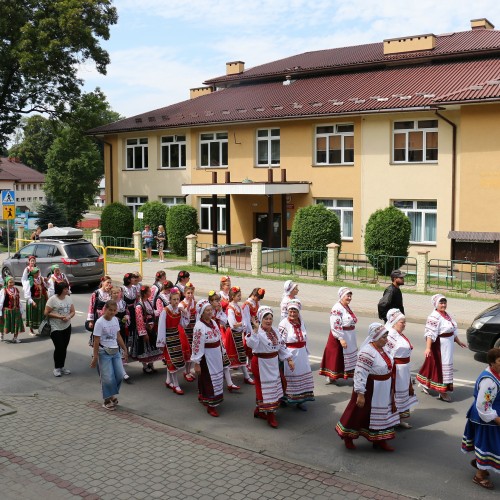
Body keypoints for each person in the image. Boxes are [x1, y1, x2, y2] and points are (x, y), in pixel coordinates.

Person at [335, 322, 400, 451]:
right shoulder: (367, 352)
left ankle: (380, 440)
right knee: (359, 412)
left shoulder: (384, 349)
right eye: (383, 337)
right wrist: (360, 393)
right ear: (375, 337)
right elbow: (360, 373)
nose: (386, 340)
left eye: (386, 336)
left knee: (382, 413)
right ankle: (348, 437)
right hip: (370, 388)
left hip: (383, 387)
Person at [246, 306, 294, 428]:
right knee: (265, 389)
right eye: (266, 318)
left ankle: (259, 409)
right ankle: (270, 416)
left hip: (273, 362)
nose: (268, 321)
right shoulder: (258, 332)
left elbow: (281, 346)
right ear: (261, 319)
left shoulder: (275, 331)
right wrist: (255, 331)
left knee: (274, 387)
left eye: (270, 318)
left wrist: (289, 359)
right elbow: (251, 344)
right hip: (261, 363)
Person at [461, 348, 500, 490]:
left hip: (491, 414)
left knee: (489, 446)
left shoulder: (496, 373)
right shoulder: (489, 381)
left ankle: (481, 462)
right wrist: (496, 419)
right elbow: (484, 405)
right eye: (499, 361)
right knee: (490, 446)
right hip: (487, 419)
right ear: (491, 363)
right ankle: (479, 475)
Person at [416, 294, 467, 402]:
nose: (443, 305)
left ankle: (424, 382)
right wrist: (428, 348)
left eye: (444, 303)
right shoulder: (434, 317)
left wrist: (458, 341)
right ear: (436, 304)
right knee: (440, 367)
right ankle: (442, 391)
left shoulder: (447, 315)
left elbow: (452, 330)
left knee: (433, 365)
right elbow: (430, 333)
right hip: (439, 345)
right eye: (441, 303)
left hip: (448, 345)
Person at [90, 300, 128, 411]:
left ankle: (111, 394)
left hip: (115, 351)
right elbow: (96, 341)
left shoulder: (115, 320)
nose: (112, 312)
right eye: (110, 310)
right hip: (103, 352)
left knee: (120, 374)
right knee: (107, 377)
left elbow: (118, 336)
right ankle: (107, 400)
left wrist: (125, 349)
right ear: (105, 309)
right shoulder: (99, 322)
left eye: (114, 310)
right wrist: (95, 357)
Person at [278, 299, 314, 410]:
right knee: (288, 377)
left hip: (301, 354)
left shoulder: (301, 322)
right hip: (290, 354)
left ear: (299, 312)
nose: (292, 314)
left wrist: (305, 351)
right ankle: (285, 398)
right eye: (290, 312)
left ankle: (300, 400)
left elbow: (305, 338)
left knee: (302, 375)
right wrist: (288, 358)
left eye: (295, 311)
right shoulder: (284, 323)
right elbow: (280, 342)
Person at [191, 300, 225, 417]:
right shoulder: (199, 327)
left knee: (216, 378)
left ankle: (204, 397)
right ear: (201, 312)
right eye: (207, 310)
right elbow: (196, 345)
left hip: (216, 356)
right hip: (207, 357)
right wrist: (197, 362)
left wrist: (223, 352)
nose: (210, 312)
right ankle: (211, 405)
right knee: (209, 380)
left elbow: (219, 338)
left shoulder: (213, 323)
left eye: (211, 309)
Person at [385, 308, 418, 428]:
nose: (404, 325)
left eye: (405, 322)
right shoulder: (390, 336)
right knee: (395, 394)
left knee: (402, 394)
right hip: (396, 371)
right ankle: (392, 419)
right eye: (402, 322)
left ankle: (400, 418)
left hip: (403, 370)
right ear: (394, 322)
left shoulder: (399, 334)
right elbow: (387, 354)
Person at [319, 287, 358, 384]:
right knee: (336, 356)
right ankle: (331, 376)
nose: (349, 298)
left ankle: (351, 375)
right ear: (341, 296)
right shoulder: (337, 308)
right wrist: (341, 338)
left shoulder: (346, 307)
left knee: (347, 356)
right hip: (339, 335)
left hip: (349, 336)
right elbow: (335, 324)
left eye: (350, 296)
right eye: (347, 296)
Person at [156, 287, 190, 395]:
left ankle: (168, 380)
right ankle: (176, 384)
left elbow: (184, 324)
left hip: (176, 337)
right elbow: (161, 327)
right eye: (174, 299)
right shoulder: (165, 311)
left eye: (177, 299)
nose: (176, 301)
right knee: (172, 362)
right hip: (168, 338)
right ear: (170, 300)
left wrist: (185, 313)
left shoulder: (178, 311)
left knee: (175, 360)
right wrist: (161, 342)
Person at [208, 290, 239, 391]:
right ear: (211, 302)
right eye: (215, 301)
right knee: (210, 363)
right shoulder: (207, 311)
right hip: (209, 340)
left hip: (217, 338)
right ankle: (210, 384)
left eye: (218, 300)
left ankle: (230, 383)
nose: (218, 302)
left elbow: (224, 321)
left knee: (225, 361)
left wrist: (220, 311)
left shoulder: (218, 311)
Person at [129, 285, 163, 373]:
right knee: (144, 348)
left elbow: (152, 313)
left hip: (151, 328)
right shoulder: (139, 306)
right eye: (149, 291)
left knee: (152, 347)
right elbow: (139, 320)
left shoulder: (148, 302)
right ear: (145, 294)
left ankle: (151, 364)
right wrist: (144, 333)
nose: (150, 293)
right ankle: (145, 366)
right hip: (144, 329)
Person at [224, 286, 254, 384]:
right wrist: (242, 324)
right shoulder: (230, 308)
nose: (240, 297)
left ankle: (246, 376)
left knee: (241, 354)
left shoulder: (237, 306)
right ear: (232, 296)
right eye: (238, 296)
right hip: (232, 335)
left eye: (240, 295)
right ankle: (228, 378)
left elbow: (242, 320)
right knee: (230, 356)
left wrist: (242, 324)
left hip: (237, 334)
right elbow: (233, 324)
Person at [44, 281, 75, 377]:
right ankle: (57, 368)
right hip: (55, 327)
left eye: (67, 288)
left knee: (64, 348)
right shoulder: (52, 299)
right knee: (59, 347)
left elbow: (73, 311)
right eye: (65, 288)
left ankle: (62, 367)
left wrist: (68, 317)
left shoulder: (69, 299)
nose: (67, 290)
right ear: (60, 290)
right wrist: (59, 317)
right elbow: (46, 313)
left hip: (67, 326)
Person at [110, 286, 131, 383]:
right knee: (115, 349)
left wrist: (127, 317)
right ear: (111, 294)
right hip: (112, 329)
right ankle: (121, 372)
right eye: (114, 293)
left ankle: (120, 369)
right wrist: (114, 318)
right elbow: (104, 314)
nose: (117, 294)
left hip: (122, 328)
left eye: (118, 292)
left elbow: (127, 312)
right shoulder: (109, 304)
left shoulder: (123, 303)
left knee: (122, 347)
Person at [179, 282, 197, 381]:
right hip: (186, 330)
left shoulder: (194, 302)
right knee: (188, 351)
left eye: (191, 293)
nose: (190, 295)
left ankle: (188, 370)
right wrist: (189, 305)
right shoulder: (181, 303)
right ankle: (186, 371)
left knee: (193, 351)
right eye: (188, 293)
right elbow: (185, 313)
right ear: (185, 293)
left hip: (193, 329)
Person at [0, 276, 24, 343]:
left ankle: (15, 338)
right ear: (7, 283)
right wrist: (0, 311)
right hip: (7, 311)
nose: (12, 284)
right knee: (4, 324)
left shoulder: (16, 289)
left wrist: (21, 308)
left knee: (17, 324)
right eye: (10, 282)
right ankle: (2, 334)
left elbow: (18, 299)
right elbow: (1, 302)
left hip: (16, 310)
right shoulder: (3, 290)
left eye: (13, 282)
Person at [24, 267, 48, 335]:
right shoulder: (30, 281)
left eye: (38, 272)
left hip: (41, 300)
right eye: (36, 272)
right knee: (32, 315)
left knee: (40, 315)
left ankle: (40, 329)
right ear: (33, 273)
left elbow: (46, 287)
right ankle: (31, 330)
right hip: (33, 300)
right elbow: (27, 293)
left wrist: (46, 298)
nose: (38, 273)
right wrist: (32, 301)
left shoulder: (40, 279)